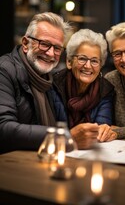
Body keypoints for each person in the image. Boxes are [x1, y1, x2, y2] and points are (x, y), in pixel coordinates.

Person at [0, 12, 72, 154]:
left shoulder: (50, 78)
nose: (51, 53)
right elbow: (3, 128)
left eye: (57, 48)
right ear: (26, 43)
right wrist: (62, 136)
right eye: (44, 44)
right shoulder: (4, 70)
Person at [51, 29, 117, 149]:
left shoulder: (106, 90)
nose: (88, 66)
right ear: (69, 62)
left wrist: (103, 131)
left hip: (90, 154)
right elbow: (50, 130)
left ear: (100, 66)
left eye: (94, 61)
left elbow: (100, 128)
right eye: (82, 59)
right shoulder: (54, 86)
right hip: (58, 150)